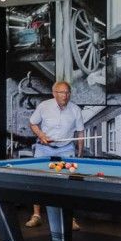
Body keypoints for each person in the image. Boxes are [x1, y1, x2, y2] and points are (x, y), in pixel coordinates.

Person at [26, 81, 84, 229]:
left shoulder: (75, 109)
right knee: (37, 180)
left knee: (69, 183)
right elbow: (33, 123)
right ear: (54, 93)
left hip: (65, 149)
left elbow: (80, 133)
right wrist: (41, 135)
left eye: (67, 92)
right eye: (61, 92)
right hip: (44, 148)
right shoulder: (44, 106)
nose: (65, 96)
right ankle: (36, 215)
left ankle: (70, 218)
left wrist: (79, 153)